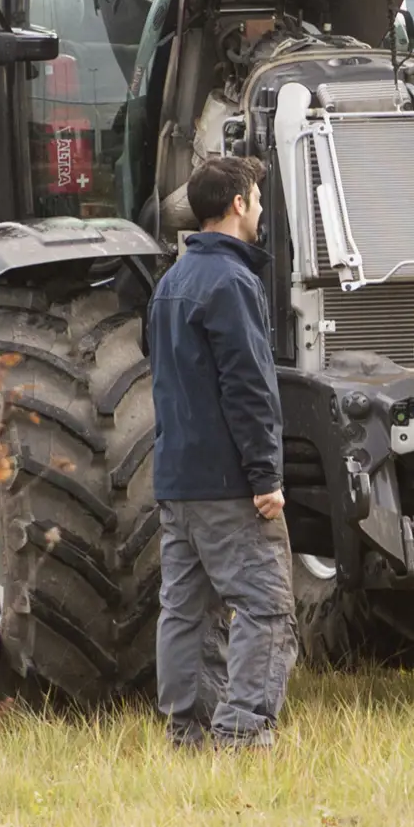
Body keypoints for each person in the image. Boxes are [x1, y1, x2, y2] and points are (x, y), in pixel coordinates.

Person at [147, 155, 294, 749]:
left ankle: (188, 732)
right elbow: (249, 386)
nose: (259, 209)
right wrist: (265, 476)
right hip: (230, 484)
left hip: (176, 480)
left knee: (185, 610)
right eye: (256, 198)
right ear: (238, 204)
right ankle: (243, 733)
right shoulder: (233, 282)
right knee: (266, 605)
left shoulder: (170, 282)